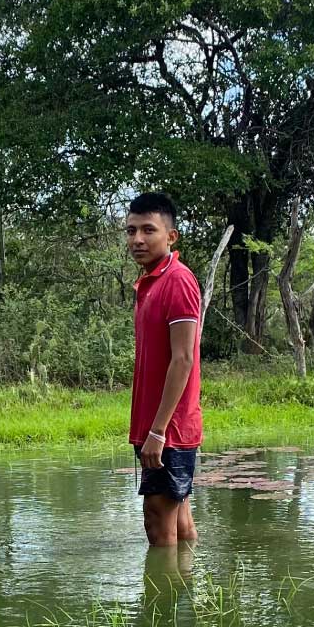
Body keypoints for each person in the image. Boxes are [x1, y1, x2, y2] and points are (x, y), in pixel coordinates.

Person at [124, 191, 202, 546]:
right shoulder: (149, 282)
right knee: (178, 517)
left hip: (168, 428)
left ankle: (162, 601)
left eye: (148, 230)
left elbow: (183, 359)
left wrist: (158, 432)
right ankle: (188, 596)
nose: (137, 239)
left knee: (158, 519)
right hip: (155, 425)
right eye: (131, 230)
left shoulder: (178, 281)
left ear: (171, 236)